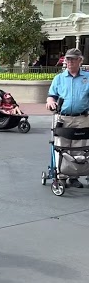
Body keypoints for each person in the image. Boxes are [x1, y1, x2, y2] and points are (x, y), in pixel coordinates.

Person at [45, 48, 89, 188]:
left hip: (82, 117)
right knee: (61, 147)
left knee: (79, 148)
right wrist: (50, 101)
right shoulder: (59, 78)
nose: (69, 61)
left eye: (73, 59)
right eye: (68, 59)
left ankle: (74, 176)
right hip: (62, 118)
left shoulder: (87, 78)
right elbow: (52, 95)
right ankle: (61, 176)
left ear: (80, 60)